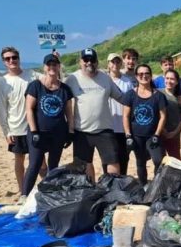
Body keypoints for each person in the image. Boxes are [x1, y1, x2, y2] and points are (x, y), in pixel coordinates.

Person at [64, 48, 124, 178]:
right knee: (84, 165)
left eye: (92, 60)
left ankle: (112, 190)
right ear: (80, 61)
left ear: (97, 62)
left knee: (113, 162)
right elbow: (59, 96)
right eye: (86, 60)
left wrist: (141, 97)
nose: (89, 63)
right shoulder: (72, 79)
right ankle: (90, 190)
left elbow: (121, 97)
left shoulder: (106, 78)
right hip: (81, 131)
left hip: (104, 130)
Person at [23, 54, 74, 196]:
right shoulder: (35, 86)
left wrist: (70, 131)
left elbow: (69, 112)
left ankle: (50, 193)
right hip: (39, 133)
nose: (52, 67)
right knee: (35, 164)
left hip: (58, 133)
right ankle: (24, 195)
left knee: (53, 165)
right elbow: (29, 109)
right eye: (49, 64)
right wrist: (34, 132)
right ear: (44, 67)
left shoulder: (65, 89)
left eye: (55, 64)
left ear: (59, 67)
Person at [0, 46, 36, 197]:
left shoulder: (31, 75)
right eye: (8, 58)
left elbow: (51, 78)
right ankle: (22, 190)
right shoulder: (3, 82)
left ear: (19, 58)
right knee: (19, 160)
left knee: (39, 161)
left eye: (14, 57)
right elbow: (2, 109)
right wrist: (6, 131)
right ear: (4, 62)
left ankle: (48, 187)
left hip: (33, 127)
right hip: (15, 128)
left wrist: (56, 61)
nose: (11, 60)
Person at [122, 64, 166, 184]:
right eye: (141, 74)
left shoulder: (158, 95)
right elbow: (125, 116)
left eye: (147, 73)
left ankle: (156, 184)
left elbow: (163, 116)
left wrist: (157, 134)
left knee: (158, 160)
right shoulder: (130, 95)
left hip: (152, 135)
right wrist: (128, 135)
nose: (144, 76)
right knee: (140, 162)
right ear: (136, 76)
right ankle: (143, 185)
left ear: (151, 76)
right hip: (136, 135)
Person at [106, 53, 136, 175]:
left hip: (123, 126)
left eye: (118, 62)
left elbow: (131, 102)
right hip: (107, 125)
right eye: (113, 62)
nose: (115, 64)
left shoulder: (127, 82)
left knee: (123, 156)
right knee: (108, 157)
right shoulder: (103, 80)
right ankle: (108, 181)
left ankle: (122, 181)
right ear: (108, 64)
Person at [160, 69, 181, 160]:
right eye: (167, 78)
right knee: (160, 161)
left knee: (176, 160)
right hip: (159, 133)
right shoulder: (158, 94)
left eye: (172, 79)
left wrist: (175, 132)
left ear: (177, 81)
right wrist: (163, 130)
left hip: (175, 134)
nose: (169, 81)